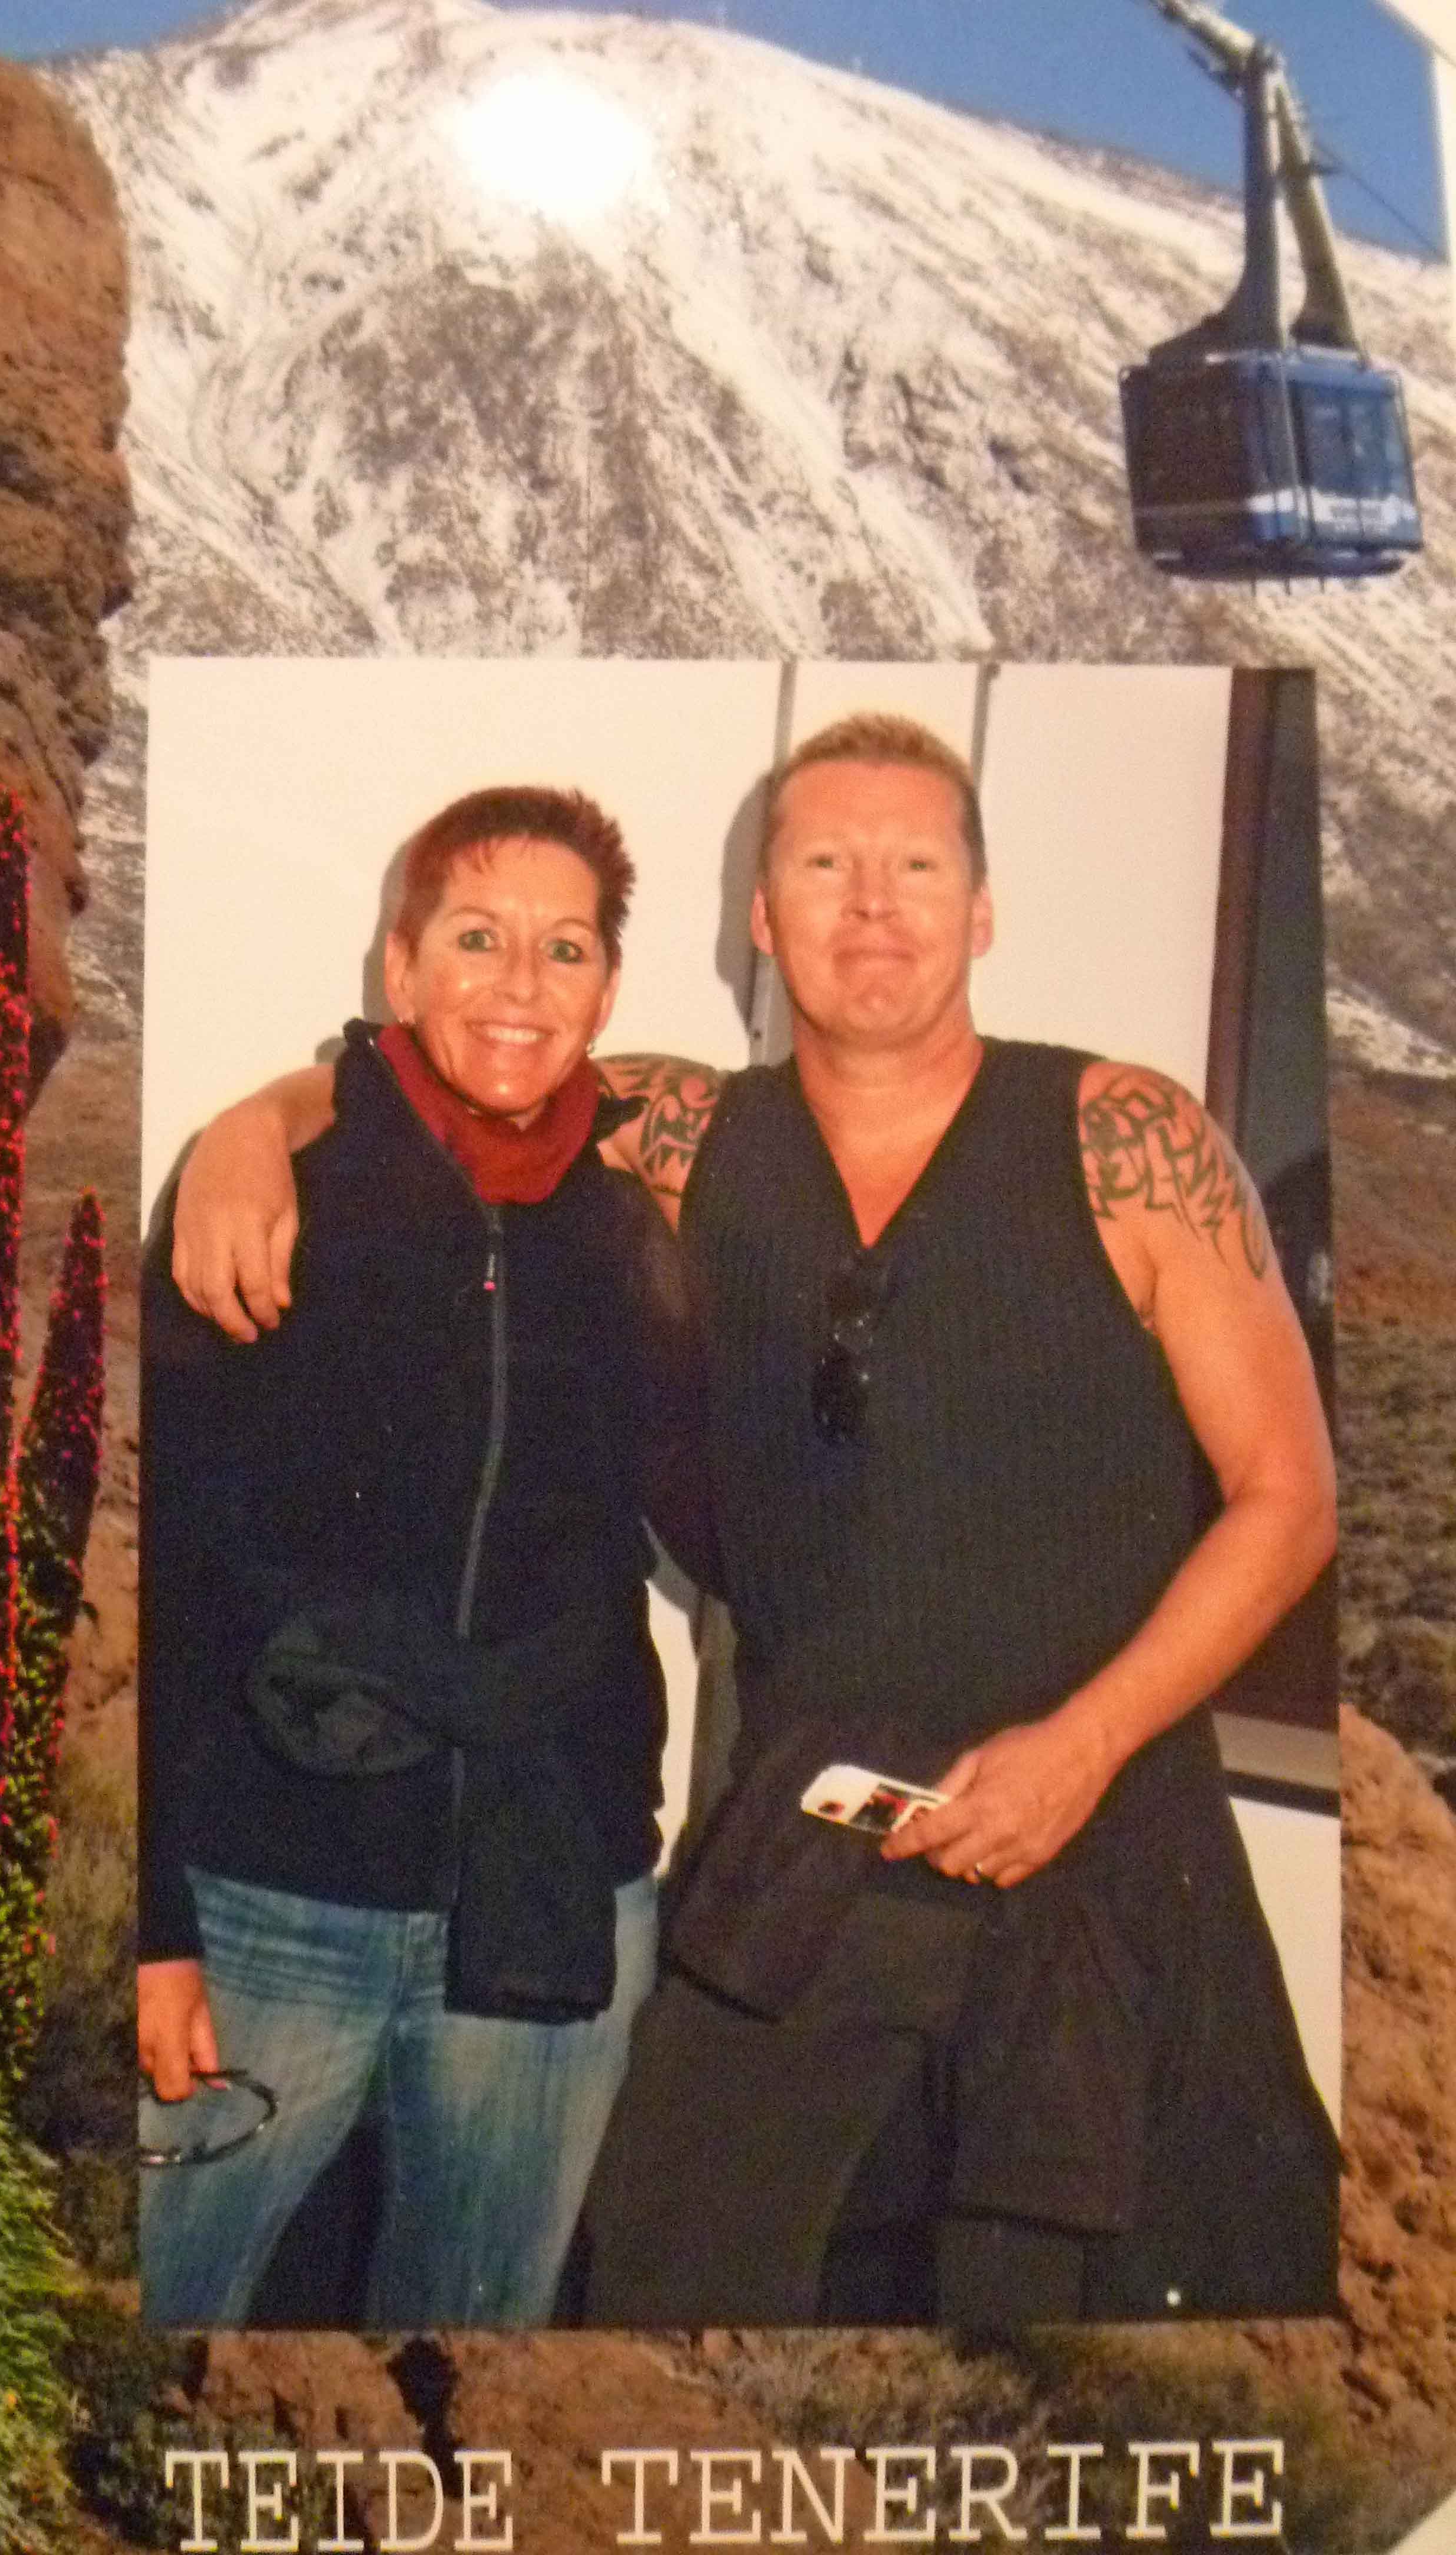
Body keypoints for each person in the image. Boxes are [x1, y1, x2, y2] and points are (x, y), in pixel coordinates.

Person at [170, 713, 1339, 2326]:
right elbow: (455, 1068)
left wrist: (1079, 1752)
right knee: (666, 2305)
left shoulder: (1123, 1138)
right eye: (825, 863)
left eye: (916, 864)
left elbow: (1291, 1501)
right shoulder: (687, 1132)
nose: (873, 902)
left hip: (1111, 1856)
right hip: (815, 1860)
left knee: (1092, 2369)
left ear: (982, 911)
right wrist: (250, 1128)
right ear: (764, 920)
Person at [139, 784, 701, 2328]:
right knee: (150, 2354)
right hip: (267, 1908)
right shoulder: (265, 1199)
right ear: (401, 966)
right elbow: (155, 1560)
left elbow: (713, 1528)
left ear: (607, 989)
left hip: (551, 1908)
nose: (521, 984)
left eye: (566, 948)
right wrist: (154, 1930)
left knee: (474, 2375)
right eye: (476, 938)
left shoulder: (637, 1234)